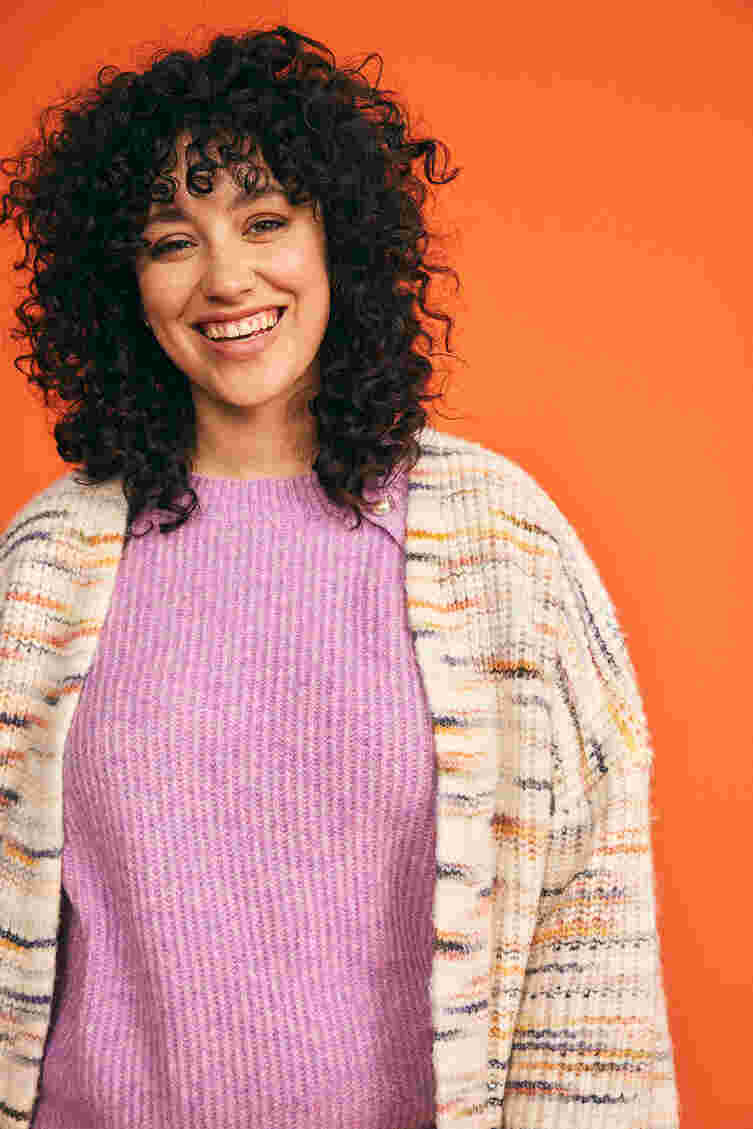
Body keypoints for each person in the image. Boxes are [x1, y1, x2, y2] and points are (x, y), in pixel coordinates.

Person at [0, 24, 681, 1129]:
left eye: (266, 221)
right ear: (123, 282)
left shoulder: (502, 546)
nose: (227, 276)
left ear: (340, 240)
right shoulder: (45, 568)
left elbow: (589, 919)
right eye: (172, 240)